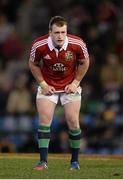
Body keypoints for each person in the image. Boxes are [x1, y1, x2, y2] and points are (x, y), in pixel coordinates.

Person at [29, 15, 89, 170]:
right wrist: (42, 84)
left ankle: (74, 162)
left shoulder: (77, 43)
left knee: (73, 122)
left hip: (70, 86)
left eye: (63, 32)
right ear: (50, 32)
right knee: (44, 122)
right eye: (57, 32)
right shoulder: (39, 44)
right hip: (49, 87)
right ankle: (43, 162)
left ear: (66, 31)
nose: (60, 36)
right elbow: (33, 63)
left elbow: (85, 62)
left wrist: (76, 83)